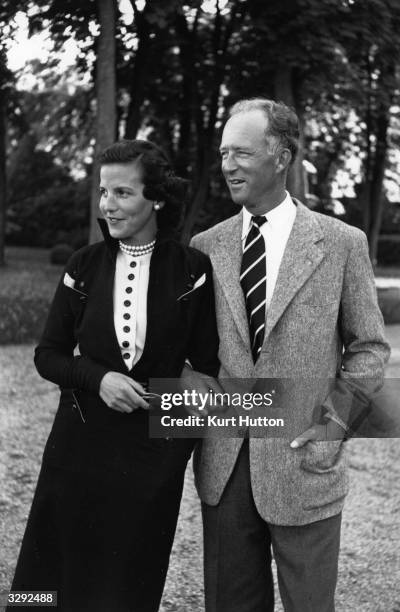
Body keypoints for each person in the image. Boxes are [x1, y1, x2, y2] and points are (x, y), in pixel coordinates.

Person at [187, 98, 390, 611]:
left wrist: (333, 427)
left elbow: (369, 348)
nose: (227, 164)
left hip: (307, 461)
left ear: (281, 157)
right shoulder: (205, 246)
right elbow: (187, 354)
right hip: (224, 460)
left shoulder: (342, 243)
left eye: (242, 153)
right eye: (223, 152)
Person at [8, 139, 219, 612]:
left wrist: (183, 386)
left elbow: (207, 366)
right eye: (104, 192)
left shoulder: (193, 271)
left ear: (156, 199)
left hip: (153, 451)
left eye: (123, 193)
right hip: (78, 441)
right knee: (47, 572)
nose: (108, 205)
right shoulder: (82, 266)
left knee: (129, 574)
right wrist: (95, 377)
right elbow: (48, 355)